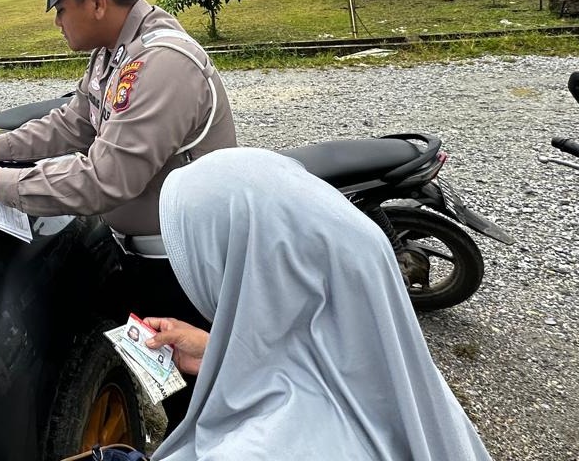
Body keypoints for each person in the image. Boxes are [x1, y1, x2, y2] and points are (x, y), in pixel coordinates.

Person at [144, 148, 493, 461]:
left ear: (239, 269)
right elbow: (314, 364)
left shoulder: (255, 448)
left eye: (189, 255)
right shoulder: (405, 382)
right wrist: (218, 355)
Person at [0, 0, 235, 236]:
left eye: (60, 10)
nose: (58, 23)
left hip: (181, 261)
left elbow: (106, 178)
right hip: (142, 247)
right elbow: (72, 123)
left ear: (97, 2)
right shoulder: (111, 51)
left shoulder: (162, 63)